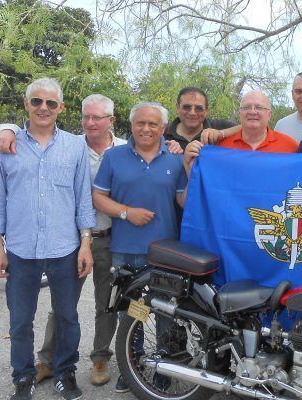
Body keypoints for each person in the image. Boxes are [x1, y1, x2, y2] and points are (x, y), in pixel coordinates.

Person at [0, 94, 127, 387]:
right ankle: (48, 360)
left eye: (97, 117)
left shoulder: (125, 151)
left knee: (106, 304)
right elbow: (33, 131)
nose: (90, 122)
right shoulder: (71, 145)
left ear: (111, 120)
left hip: (112, 240)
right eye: (85, 116)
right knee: (63, 306)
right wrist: (7, 128)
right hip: (74, 241)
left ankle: (100, 357)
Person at [0, 78, 95, 400]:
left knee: (68, 317)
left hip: (65, 248)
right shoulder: (7, 146)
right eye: (37, 101)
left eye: (50, 103)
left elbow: (82, 199)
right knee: (20, 321)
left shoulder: (75, 146)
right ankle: (23, 376)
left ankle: (65, 372)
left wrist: (85, 243)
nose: (43, 108)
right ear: (26, 103)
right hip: (21, 249)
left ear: (60, 108)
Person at [92, 101, 187, 393]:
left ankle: (164, 367)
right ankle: (131, 364)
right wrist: (126, 213)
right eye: (140, 123)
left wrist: (193, 168)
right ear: (131, 125)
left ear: (163, 128)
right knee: (132, 312)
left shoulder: (175, 158)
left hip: (165, 252)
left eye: (153, 124)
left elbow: (184, 200)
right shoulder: (114, 156)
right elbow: (98, 197)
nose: (146, 128)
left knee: (165, 312)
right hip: (126, 251)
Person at [185, 90, 298, 166]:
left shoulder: (290, 146)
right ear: (240, 113)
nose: (252, 111)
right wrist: (189, 166)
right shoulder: (220, 147)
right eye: (246, 107)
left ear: (269, 115)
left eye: (259, 107)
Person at [165, 87, 236, 149]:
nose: (192, 113)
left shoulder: (218, 127)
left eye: (199, 108)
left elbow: (242, 128)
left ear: (206, 111)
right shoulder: (163, 133)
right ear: (177, 108)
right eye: (186, 107)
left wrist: (221, 133)